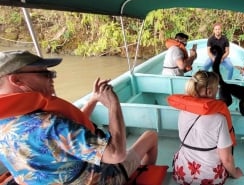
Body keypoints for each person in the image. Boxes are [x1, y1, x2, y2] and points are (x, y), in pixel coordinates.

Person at [0, 50, 158, 185]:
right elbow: (116, 154)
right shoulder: (51, 125)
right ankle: (140, 175)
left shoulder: (10, 120)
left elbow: (69, 131)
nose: (52, 77)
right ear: (16, 80)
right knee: (150, 136)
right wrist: (113, 105)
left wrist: (93, 99)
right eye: (45, 73)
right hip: (96, 179)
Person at [171, 70, 243, 184]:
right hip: (209, 178)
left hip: (182, 173)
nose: (218, 90)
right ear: (209, 92)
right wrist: (235, 173)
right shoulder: (219, 119)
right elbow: (227, 159)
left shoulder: (182, 112)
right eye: (217, 87)